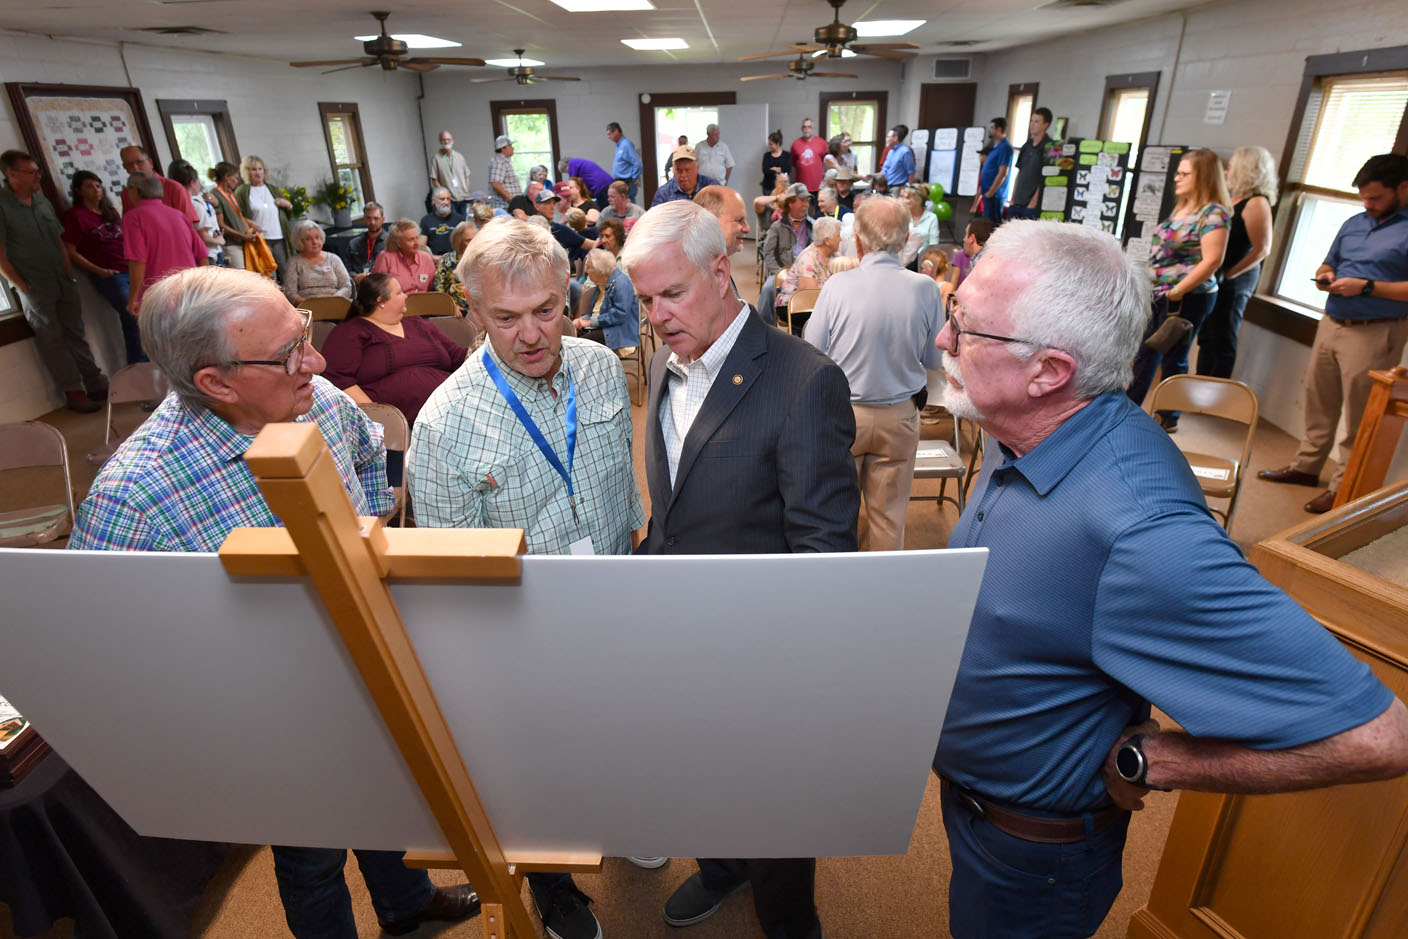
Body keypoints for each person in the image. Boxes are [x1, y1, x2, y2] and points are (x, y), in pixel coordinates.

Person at [930, 218, 1408, 939]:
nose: (943, 340)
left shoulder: (1140, 529)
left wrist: (1158, 757)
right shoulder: (1020, 424)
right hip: (973, 808)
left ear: (1049, 370)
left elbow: (1380, 736)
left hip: (1031, 853)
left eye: (964, 326)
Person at [68, 266, 480, 939]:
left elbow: (372, 494)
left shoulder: (321, 401)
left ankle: (406, 903)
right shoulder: (133, 498)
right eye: (289, 352)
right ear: (216, 383)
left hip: (367, 669)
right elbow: (108, 657)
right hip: (270, 719)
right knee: (312, 854)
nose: (315, 362)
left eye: (305, 335)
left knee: (384, 798)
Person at [621, 200, 857, 939]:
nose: (658, 315)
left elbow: (824, 551)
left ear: (721, 271)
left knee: (773, 800)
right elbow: (675, 503)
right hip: (678, 630)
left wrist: (792, 664)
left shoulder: (803, 380)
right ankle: (723, 867)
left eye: (673, 293)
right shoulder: (665, 360)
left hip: (764, 647)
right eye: (646, 299)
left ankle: (791, 919)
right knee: (700, 773)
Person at [408, 219, 645, 939]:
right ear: (473, 313)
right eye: (506, 318)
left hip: (613, 597)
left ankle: (629, 814)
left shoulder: (600, 367)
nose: (532, 334)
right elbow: (448, 577)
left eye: (546, 309)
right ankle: (555, 885)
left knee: (622, 725)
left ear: (569, 294)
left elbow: (626, 496)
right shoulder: (445, 424)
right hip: (522, 632)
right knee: (537, 766)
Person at [1258, 153, 1408, 514]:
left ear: (1403, 188)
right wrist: (1326, 274)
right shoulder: (1355, 222)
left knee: (1360, 416)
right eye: (1364, 198)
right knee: (1319, 401)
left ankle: (1343, 488)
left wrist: (1367, 287)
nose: (1368, 205)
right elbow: (1330, 261)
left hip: (1375, 331)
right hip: (1332, 321)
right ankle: (1306, 467)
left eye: (1376, 198)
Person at [804, 196, 942, 551]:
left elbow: (812, 350)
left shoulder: (837, 285)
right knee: (889, 519)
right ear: (908, 235)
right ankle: (882, 598)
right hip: (899, 416)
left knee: (838, 513)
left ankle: (842, 593)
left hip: (844, 416)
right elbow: (935, 360)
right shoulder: (926, 289)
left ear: (860, 239)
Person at [1126, 148, 1230, 431]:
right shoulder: (1184, 207)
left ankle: (1167, 417)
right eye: (1178, 172)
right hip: (1161, 294)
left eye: (1185, 174)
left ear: (1204, 177)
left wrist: (1179, 290)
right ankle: (1128, 409)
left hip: (1187, 298)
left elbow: (1212, 260)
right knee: (1146, 352)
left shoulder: (1213, 213)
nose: (1177, 178)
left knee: (1173, 357)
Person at [0, 149, 107, 411]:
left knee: (76, 334)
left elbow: (59, 239)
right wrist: (22, 287)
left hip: (62, 279)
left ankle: (95, 382)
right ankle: (74, 391)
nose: (38, 176)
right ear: (10, 174)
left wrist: (68, 270)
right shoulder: (2, 205)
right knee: (53, 340)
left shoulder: (41, 200)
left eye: (37, 171)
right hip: (34, 285)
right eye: (31, 172)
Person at [322, 272, 466, 423]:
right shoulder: (350, 332)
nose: (406, 296)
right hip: (398, 429)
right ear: (381, 301)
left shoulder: (419, 324)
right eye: (399, 292)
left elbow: (459, 357)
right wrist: (376, 423)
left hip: (453, 414)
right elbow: (339, 381)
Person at [1197, 145, 1277, 378]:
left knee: (1223, 339)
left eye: (1231, 167)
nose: (1226, 171)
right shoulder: (1231, 198)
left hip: (1236, 279)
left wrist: (1230, 274)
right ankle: (1199, 389)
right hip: (1218, 275)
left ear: (1246, 169)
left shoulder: (1256, 203)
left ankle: (1215, 396)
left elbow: (1262, 249)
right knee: (1207, 338)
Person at [61, 169, 143, 364]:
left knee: (143, 318)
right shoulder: (76, 216)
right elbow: (70, 251)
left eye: (98, 186)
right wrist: (99, 271)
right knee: (132, 316)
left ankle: (146, 364)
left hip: (130, 268)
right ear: (79, 191)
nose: (96, 190)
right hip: (110, 274)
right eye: (89, 187)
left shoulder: (110, 213)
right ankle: (137, 366)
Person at [123, 172, 209, 315]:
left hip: (157, 296)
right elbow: (202, 255)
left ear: (135, 190)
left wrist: (133, 298)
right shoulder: (177, 215)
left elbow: (138, 260)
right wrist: (203, 287)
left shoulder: (133, 218)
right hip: (189, 292)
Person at [234, 154, 292, 277]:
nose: (258, 173)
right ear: (247, 172)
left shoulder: (272, 189)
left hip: (279, 236)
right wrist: (250, 222)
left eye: (260, 169)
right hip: (261, 239)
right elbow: (237, 215)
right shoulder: (242, 191)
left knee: (287, 272)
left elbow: (289, 213)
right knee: (269, 275)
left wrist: (288, 205)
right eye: (253, 169)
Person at [573, 247, 639, 350]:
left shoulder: (621, 284)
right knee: (572, 340)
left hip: (619, 333)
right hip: (605, 328)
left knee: (579, 347)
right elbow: (597, 312)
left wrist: (589, 322)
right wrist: (583, 320)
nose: (586, 270)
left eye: (589, 267)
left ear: (598, 269)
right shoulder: (602, 284)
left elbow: (619, 315)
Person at [118, 145, 198, 224]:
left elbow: (189, 224)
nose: (135, 168)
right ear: (125, 168)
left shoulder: (174, 188)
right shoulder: (126, 194)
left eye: (139, 162)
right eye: (129, 165)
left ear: (150, 162)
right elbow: (130, 225)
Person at [777, 214, 840, 313]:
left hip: (818, 305)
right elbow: (809, 297)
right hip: (794, 306)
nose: (841, 239)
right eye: (838, 236)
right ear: (827, 240)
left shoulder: (834, 255)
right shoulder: (808, 258)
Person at [167, 159, 225, 266]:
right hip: (208, 255)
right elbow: (202, 236)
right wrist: (220, 241)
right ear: (192, 182)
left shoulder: (179, 203)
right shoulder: (194, 205)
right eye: (198, 180)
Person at [284, 219, 353, 306]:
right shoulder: (294, 262)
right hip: (308, 307)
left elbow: (346, 286)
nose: (315, 242)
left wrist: (334, 300)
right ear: (299, 242)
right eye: (308, 239)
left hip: (335, 305)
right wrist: (311, 304)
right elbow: (290, 292)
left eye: (317, 237)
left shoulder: (334, 259)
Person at [1006, 107, 1054, 221]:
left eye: (1037, 122)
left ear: (1046, 125)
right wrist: (1012, 199)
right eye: (1031, 121)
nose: (1032, 125)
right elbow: (1019, 172)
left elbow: (1046, 179)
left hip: (1031, 206)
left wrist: (1033, 202)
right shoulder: (1026, 145)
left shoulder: (1050, 147)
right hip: (1016, 202)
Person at [208, 161, 257, 270]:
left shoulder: (230, 193)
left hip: (242, 241)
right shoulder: (215, 195)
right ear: (226, 177)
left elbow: (239, 215)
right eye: (235, 177)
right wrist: (243, 236)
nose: (237, 181)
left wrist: (249, 229)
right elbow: (221, 225)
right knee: (242, 276)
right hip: (231, 245)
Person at [372, 218, 438, 294]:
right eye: (411, 240)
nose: (416, 243)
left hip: (423, 303)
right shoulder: (385, 257)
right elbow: (377, 290)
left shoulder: (426, 258)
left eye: (417, 238)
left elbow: (432, 288)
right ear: (399, 243)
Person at [534, 188, 597, 260]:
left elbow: (589, 244)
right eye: (548, 203)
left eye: (554, 203)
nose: (552, 207)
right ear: (537, 206)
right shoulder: (529, 229)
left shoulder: (559, 229)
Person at [433, 220, 478, 314]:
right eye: (468, 240)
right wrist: (451, 306)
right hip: (454, 310)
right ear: (458, 241)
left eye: (475, 239)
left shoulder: (483, 260)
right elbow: (439, 288)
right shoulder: (447, 259)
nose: (473, 243)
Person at [973, 118, 1012, 225]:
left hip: (995, 195)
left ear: (999, 130)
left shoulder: (1005, 147)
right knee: (986, 223)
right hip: (988, 194)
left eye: (992, 127)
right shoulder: (995, 146)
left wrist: (991, 191)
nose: (989, 130)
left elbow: (1003, 172)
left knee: (992, 225)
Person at [651, 145, 719, 206]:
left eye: (687, 170)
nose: (683, 175)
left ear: (697, 168)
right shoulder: (664, 193)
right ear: (673, 170)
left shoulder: (712, 187)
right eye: (679, 170)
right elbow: (654, 218)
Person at [428, 130, 473, 216]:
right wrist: (445, 195)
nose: (446, 141)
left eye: (448, 139)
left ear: (452, 140)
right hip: (449, 200)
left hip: (463, 198)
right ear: (440, 141)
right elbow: (434, 179)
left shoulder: (459, 156)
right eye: (443, 139)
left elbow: (466, 176)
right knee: (453, 224)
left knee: (463, 223)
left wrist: (466, 190)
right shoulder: (436, 158)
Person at [899, 184, 939, 268]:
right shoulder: (903, 216)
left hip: (923, 259)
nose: (904, 201)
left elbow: (933, 245)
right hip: (903, 258)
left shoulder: (932, 218)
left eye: (908, 198)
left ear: (919, 200)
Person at [420, 186, 467, 257]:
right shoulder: (426, 220)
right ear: (434, 201)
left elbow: (465, 244)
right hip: (434, 261)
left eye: (448, 199)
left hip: (455, 261)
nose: (446, 202)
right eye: (442, 199)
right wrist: (434, 258)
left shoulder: (460, 220)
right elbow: (421, 247)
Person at [346, 201, 388, 277]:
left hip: (382, 284)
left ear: (383, 220)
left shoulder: (391, 243)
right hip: (359, 285)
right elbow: (345, 270)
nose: (372, 222)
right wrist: (355, 277)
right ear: (364, 219)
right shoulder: (353, 244)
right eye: (368, 218)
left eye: (376, 218)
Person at [790, 118, 828, 199]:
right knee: (802, 209)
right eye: (804, 127)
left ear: (813, 129)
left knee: (819, 209)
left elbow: (825, 161)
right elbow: (793, 162)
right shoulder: (795, 144)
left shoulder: (822, 143)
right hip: (801, 186)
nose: (807, 129)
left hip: (818, 185)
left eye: (809, 127)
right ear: (802, 129)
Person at [606, 122, 643, 202]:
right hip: (622, 182)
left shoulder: (626, 144)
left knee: (629, 206)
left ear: (616, 131)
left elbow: (637, 163)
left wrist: (634, 178)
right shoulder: (619, 145)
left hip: (627, 182)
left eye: (609, 134)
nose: (609, 137)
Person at [488, 135, 521, 211]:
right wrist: (513, 201)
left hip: (507, 206)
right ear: (503, 148)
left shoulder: (502, 161)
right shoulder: (499, 162)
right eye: (510, 145)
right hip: (504, 207)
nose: (512, 148)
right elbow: (495, 184)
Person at [761, 129, 792, 197]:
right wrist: (779, 169)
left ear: (778, 143)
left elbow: (788, 170)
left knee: (781, 207)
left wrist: (773, 169)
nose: (769, 146)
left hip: (782, 189)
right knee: (768, 207)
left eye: (771, 144)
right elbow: (765, 170)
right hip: (768, 188)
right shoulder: (767, 155)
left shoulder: (787, 155)